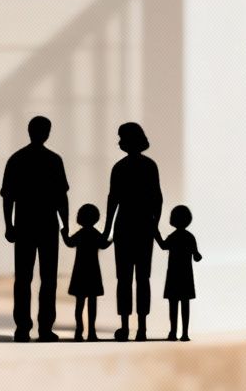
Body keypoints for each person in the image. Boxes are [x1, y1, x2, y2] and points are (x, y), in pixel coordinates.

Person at [0, 115, 69, 342]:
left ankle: (22, 328)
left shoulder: (17, 159)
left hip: (25, 225)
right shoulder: (53, 160)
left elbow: (8, 197)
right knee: (48, 280)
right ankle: (45, 328)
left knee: (23, 279)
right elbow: (61, 198)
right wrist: (65, 225)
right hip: (47, 225)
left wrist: (9, 225)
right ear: (47, 133)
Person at [102, 121, 161, 341]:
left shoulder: (120, 168)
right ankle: (141, 328)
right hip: (143, 227)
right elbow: (158, 200)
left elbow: (113, 201)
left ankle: (126, 326)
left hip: (125, 227)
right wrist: (154, 226)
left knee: (124, 279)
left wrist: (107, 231)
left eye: (121, 137)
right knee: (142, 278)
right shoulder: (149, 166)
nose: (118, 142)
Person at [63, 203, 108, 341]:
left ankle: (79, 330)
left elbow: (69, 243)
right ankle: (92, 332)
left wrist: (63, 231)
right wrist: (112, 236)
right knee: (92, 303)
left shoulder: (81, 234)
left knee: (79, 304)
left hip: (80, 271)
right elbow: (104, 244)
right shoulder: (94, 234)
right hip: (93, 271)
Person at [158, 205, 201, 342]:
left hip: (174, 274)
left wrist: (155, 233)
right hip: (186, 275)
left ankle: (173, 332)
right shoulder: (190, 237)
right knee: (185, 305)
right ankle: (184, 333)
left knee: (173, 305)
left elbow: (163, 245)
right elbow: (197, 256)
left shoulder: (174, 237)